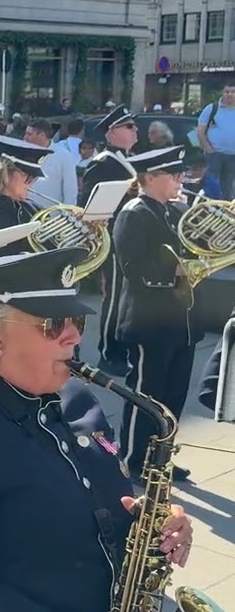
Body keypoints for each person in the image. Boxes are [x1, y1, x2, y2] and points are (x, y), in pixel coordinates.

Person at [0, 247, 195, 612]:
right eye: (54, 324)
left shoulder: (76, 395)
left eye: (78, 321)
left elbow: (102, 503)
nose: (74, 337)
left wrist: (154, 523)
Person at [113, 146, 198, 482]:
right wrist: (175, 272)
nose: (180, 180)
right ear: (149, 177)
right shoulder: (134, 213)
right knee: (147, 396)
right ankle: (134, 460)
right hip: (149, 321)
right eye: (173, 175)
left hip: (181, 321)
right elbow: (132, 267)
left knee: (173, 396)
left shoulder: (172, 212)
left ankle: (161, 460)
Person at [83, 105, 140, 377]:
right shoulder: (103, 164)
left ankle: (123, 349)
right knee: (116, 297)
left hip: (133, 240)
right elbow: (89, 206)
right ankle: (109, 352)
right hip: (115, 239)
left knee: (129, 298)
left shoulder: (130, 160)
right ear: (111, 133)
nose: (135, 131)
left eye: (134, 126)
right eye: (129, 127)